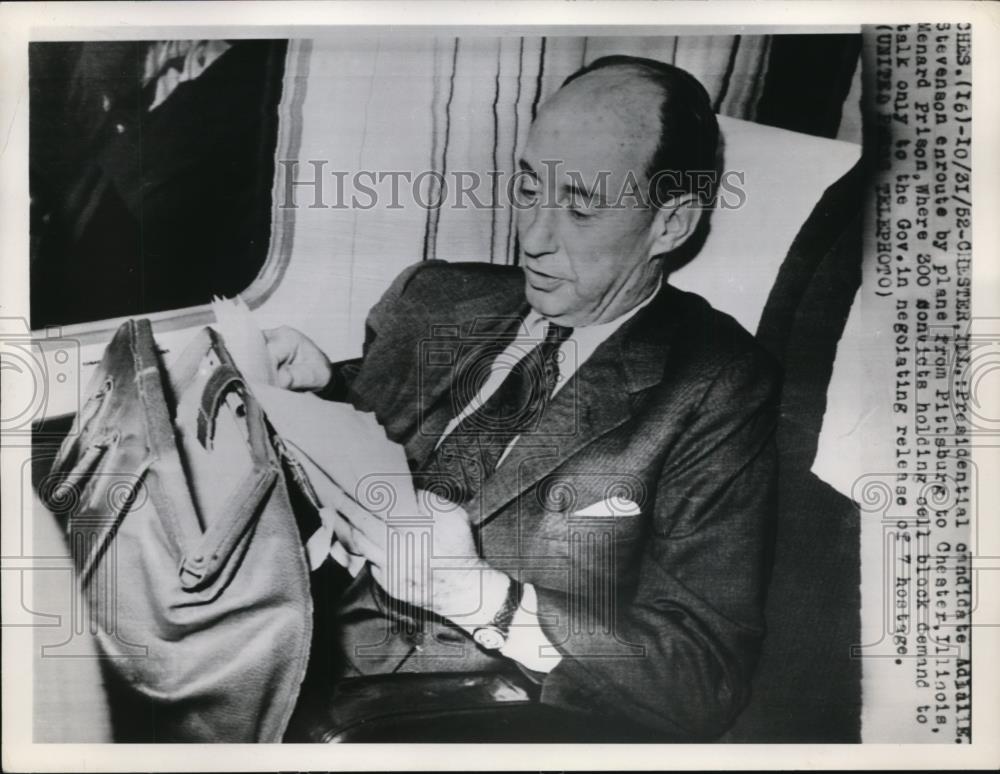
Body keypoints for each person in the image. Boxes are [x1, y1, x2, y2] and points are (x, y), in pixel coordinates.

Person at [264, 55, 781, 741]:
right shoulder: (437, 296)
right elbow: (389, 426)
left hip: (420, 713)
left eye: (580, 208)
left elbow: (702, 676)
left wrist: (479, 596)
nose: (533, 237)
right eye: (531, 188)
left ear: (672, 224)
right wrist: (326, 387)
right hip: (275, 624)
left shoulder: (713, 384)